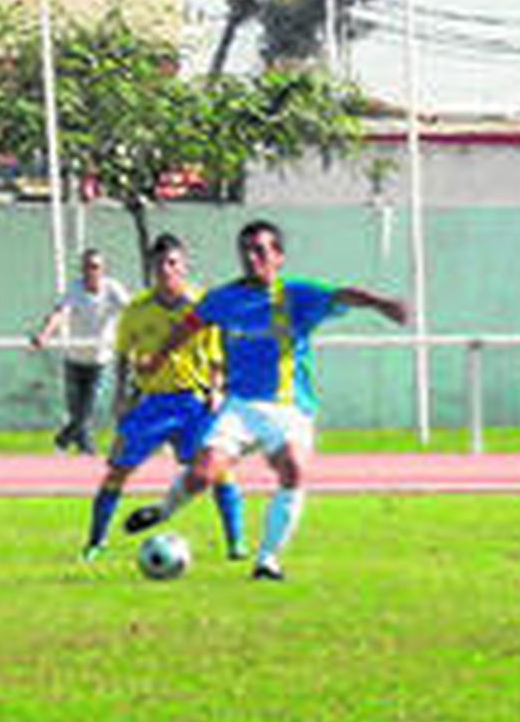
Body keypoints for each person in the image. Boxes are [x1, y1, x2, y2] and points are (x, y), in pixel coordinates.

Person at [125, 219, 408, 581]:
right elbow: (188, 325)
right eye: (245, 250)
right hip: (240, 406)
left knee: (294, 469)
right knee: (201, 475)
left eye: (260, 250)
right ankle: (163, 511)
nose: (251, 257)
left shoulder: (295, 294)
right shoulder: (224, 298)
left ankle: (267, 561)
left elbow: (342, 294)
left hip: (288, 406)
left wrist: (382, 304)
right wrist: (157, 359)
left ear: (279, 256)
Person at [82, 233, 246, 563]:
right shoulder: (137, 310)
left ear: (184, 266)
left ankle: (236, 544)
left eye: (172, 262)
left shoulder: (202, 309)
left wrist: (217, 392)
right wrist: (121, 398)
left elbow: (217, 356)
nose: (165, 269)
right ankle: (95, 543)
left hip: (194, 404)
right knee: (117, 471)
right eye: (159, 264)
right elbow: (125, 357)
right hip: (152, 403)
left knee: (217, 471)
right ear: (151, 268)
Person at [28, 248, 130, 455]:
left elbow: (131, 311)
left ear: (103, 269)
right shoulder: (74, 289)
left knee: (86, 411)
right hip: (74, 358)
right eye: (86, 267)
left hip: (99, 360)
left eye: (95, 267)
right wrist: (45, 335)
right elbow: (60, 314)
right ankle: (86, 452)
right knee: (77, 412)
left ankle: (64, 441)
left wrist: (141, 335)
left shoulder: (112, 289)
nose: (90, 271)